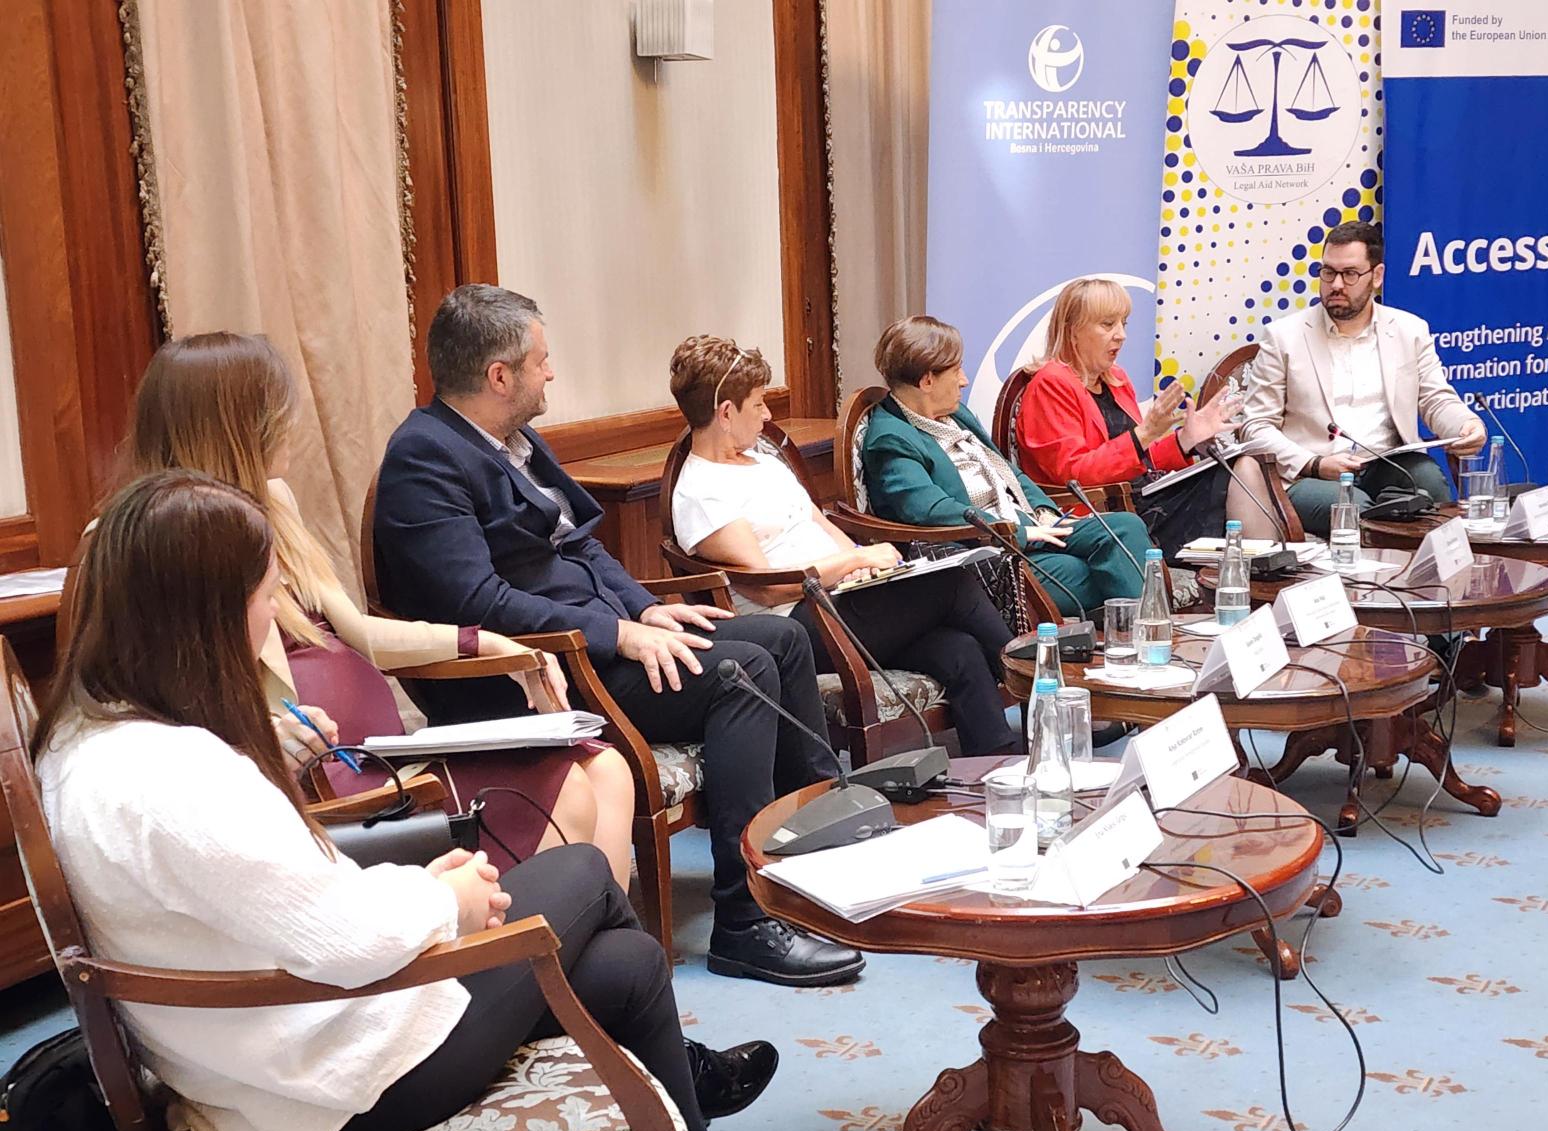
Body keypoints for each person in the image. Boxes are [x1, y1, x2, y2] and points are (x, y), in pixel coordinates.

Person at [34, 471, 806, 1131]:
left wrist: (421, 890)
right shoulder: (174, 777)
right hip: (338, 1082)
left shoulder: (91, 744)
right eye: (264, 597)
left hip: (283, 1050)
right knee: (581, 874)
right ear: (203, 617)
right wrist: (448, 904)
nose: (270, 617)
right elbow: (342, 939)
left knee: (629, 966)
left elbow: (284, 905)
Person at [374, 284, 863, 988]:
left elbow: (581, 545)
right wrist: (617, 634)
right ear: (499, 376)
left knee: (778, 643)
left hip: (598, 643)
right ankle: (742, 924)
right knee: (742, 674)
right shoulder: (423, 459)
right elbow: (475, 601)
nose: (551, 373)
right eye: (540, 361)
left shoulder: (511, 441)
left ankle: (807, 869)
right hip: (540, 675)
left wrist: (646, 610)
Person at [124, 331, 632, 882]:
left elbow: (358, 631)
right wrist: (267, 730)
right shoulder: (159, 539)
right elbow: (167, 703)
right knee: (568, 787)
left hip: (378, 755)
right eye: (275, 412)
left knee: (608, 769)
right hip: (321, 774)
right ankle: (529, 931)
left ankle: (583, 929)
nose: (290, 425)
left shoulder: (273, 499)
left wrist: (483, 642)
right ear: (236, 427)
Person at [668, 334, 1021, 756]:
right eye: (759, 404)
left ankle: (999, 767)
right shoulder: (702, 492)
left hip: (845, 598)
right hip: (798, 626)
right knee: (950, 584)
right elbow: (768, 587)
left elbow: (820, 523)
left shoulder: (762, 461)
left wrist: (863, 566)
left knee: (957, 649)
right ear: (726, 413)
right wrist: (853, 560)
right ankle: (1036, 676)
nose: (767, 415)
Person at [860, 315, 1151, 618]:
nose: (964, 380)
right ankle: (1146, 634)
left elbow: (1006, 471)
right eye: (956, 370)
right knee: (1102, 569)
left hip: (1031, 524)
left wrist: (1043, 510)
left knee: (1126, 527)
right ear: (927, 381)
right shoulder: (891, 439)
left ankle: (1140, 631)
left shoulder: (956, 414)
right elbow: (929, 510)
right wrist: (1017, 531)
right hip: (991, 551)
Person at [1239, 220, 1488, 536]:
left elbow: (1436, 399)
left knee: (1428, 485)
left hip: (1387, 463)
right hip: (1311, 475)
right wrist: (1314, 463)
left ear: (1377, 276)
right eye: (1328, 272)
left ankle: (1436, 570)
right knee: (1355, 509)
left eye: (1350, 274)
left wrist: (1466, 426)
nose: (1336, 285)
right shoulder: (1283, 337)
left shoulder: (1409, 330)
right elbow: (1255, 426)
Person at [1013, 277, 1279, 556]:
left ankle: (1262, 569)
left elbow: (1140, 458)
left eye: (1123, 323)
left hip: (1142, 499)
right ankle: (1258, 572)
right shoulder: (1050, 384)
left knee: (1242, 464)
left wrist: (1184, 441)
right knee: (1237, 474)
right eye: (1108, 324)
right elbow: (1074, 475)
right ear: (1072, 330)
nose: (1121, 335)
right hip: (1105, 515)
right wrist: (1144, 433)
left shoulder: (1116, 379)